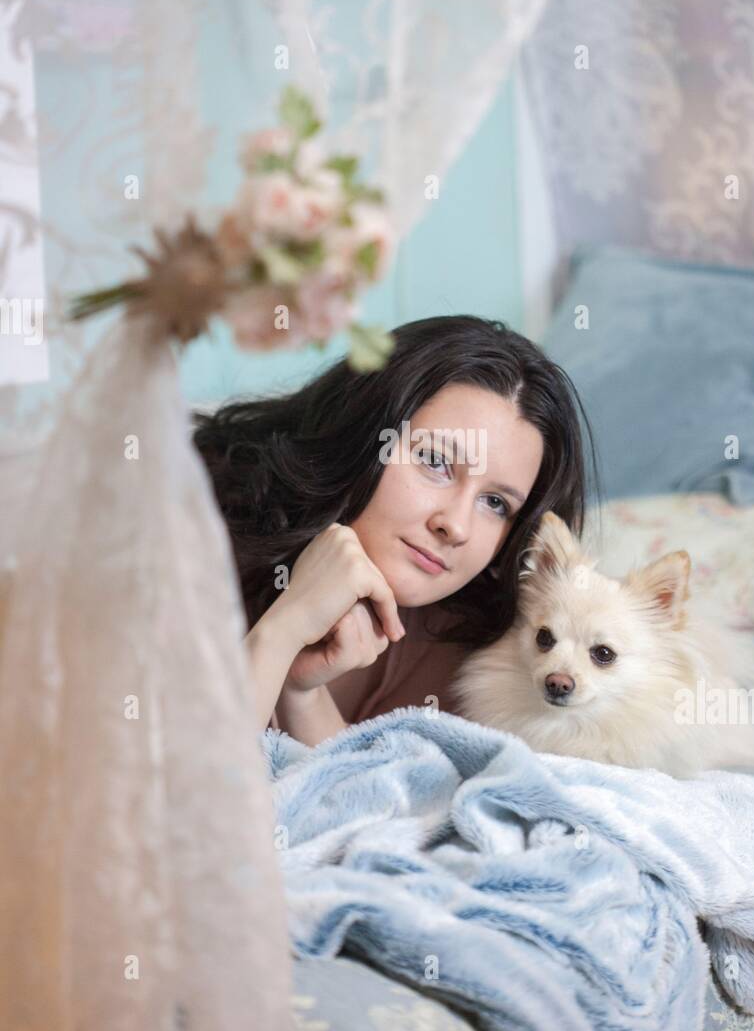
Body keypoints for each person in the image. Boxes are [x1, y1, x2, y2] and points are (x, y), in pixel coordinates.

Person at [192, 314, 598, 743]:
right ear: (365, 434)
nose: (456, 526)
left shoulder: (471, 653)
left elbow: (363, 794)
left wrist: (301, 692)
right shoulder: (184, 526)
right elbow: (180, 795)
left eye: (495, 503)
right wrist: (282, 630)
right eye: (435, 461)